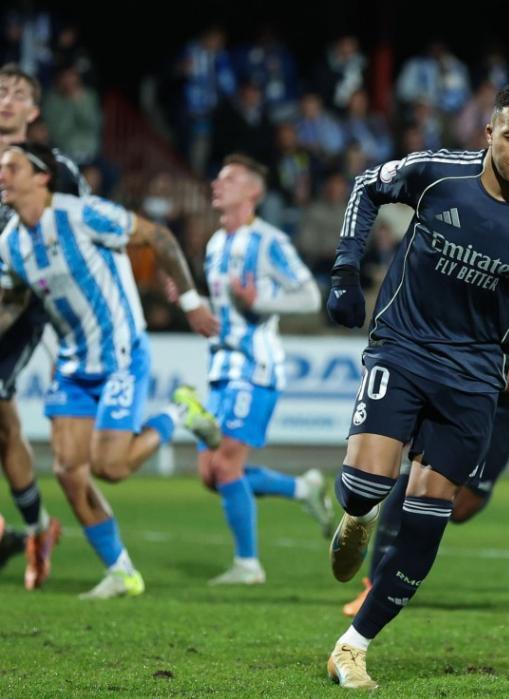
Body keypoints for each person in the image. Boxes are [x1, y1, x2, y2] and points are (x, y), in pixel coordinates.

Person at [323, 82, 509, 688]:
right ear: (489, 133)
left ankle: (353, 646)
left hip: (473, 377)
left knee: (426, 522)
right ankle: (358, 515)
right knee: (364, 485)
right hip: (405, 348)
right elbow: (366, 186)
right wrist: (345, 271)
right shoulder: (438, 173)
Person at [0, 141, 220, 598]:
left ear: (42, 177)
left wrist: (191, 301)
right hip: (72, 364)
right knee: (68, 470)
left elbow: (159, 237)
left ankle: (180, 411)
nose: (2, 176)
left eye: (12, 168)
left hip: (120, 354)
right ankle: (121, 572)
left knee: (111, 467)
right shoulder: (11, 243)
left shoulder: (82, 214)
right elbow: (13, 302)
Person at [341, 318, 509, 616]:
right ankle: (376, 583)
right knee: (417, 478)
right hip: (453, 383)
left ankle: (390, 539)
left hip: (507, 405)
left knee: (461, 507)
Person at [176, 153, 331, 585]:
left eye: (229, 180)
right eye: (218, 178)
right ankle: (302, 489)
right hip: (221, 366)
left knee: (226, 466)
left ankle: (248, 565)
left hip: (255, 366)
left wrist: (260, 301)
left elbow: (309, 296)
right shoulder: (216, 244)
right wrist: (191, 304)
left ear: (253, 192)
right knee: (212, 474)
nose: (217, 184)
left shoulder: (268, 241)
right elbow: (224, 311)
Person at [0, 62, 89, 590]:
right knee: (6, 426)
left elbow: (86, 230)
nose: (7, 99)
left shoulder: (53, 168)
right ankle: (36, 530)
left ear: (34, 110)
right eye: (1, 91)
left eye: (18, 93)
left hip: (20, 308)